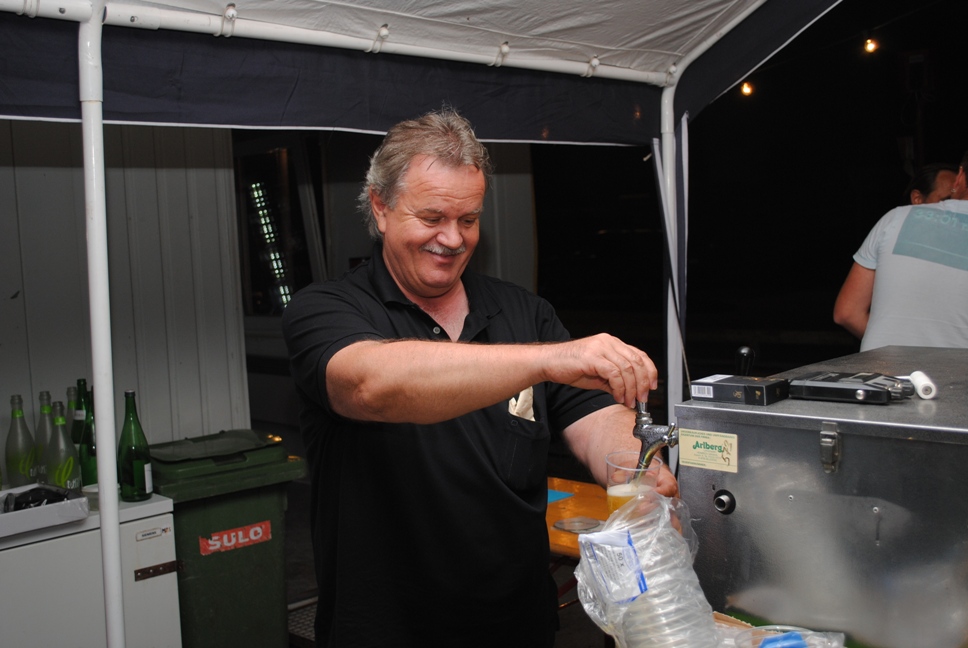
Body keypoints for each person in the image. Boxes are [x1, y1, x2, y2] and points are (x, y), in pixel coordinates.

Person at [282, 108, 678, 648]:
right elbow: (371, 385)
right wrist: (547, 360)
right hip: (386, 627)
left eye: (468, 220)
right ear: (380, 207)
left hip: (515, 622)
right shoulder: (326, 309)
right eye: (432, 217)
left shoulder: (524, 314)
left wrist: (634, 473)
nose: (452, 238)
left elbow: (595, 419)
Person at [833, 153, 968, 349]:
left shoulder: (894, 219)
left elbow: (847, 313)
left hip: (884, 367)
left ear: (960, 176)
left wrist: (892, 349)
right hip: (955, 368)